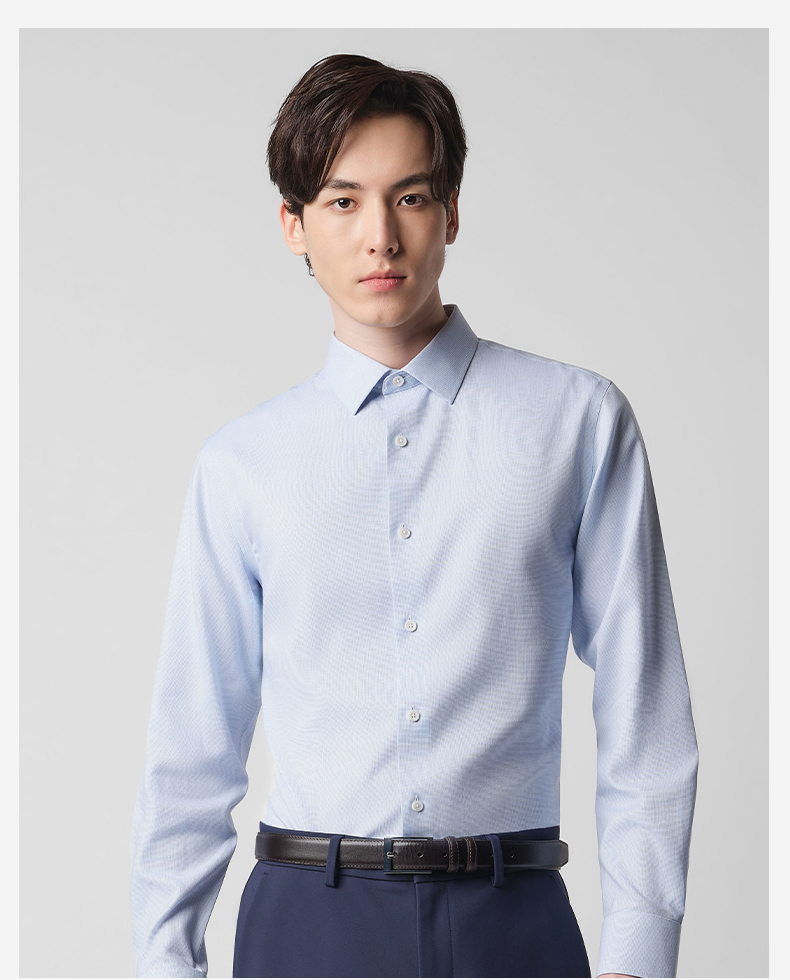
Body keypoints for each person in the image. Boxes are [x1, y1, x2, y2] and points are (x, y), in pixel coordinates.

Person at [129, 53, 699, 979]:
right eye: (342, 201)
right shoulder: (243, 464)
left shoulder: (576, 421)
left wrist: (639, 953)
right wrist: (165, 963)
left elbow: (647, 707)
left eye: (411, 197)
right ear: (293, 224)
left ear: (453, 212)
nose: (380, 238)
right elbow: (192, 745)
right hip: (306, 926)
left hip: (513, 919)